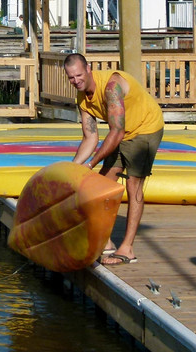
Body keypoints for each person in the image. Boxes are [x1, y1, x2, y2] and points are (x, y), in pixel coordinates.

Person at [64, 52, 164, 266]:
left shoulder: (111, 87)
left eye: (79, 75)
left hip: (144, 128)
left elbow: (116, 132)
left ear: (89, 69)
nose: (76, 81)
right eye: (71, 78)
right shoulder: (82, 97)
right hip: (121, 132)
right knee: (101, 187)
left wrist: (91, 164)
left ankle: (127, 249)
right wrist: (73, 168)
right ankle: (106, 243)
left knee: (133, 183)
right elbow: (90, 137)